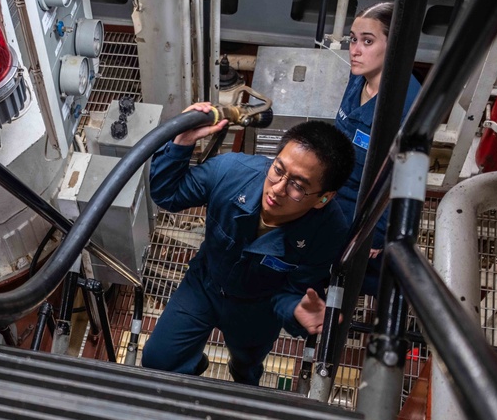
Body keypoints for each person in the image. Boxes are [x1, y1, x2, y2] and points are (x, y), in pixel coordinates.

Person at [141, 106, 356, 385]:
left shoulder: (329, 232)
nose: (278, 188)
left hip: (258, 308)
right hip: (204, 284)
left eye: (298, 186)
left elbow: (292, 289)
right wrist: (181, 143)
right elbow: (168, 194)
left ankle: (243, 374)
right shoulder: (232, 172)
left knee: (247, 365)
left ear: (323, 198)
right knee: (157, 361)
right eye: (278, 169)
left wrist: (295, 308)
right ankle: (191, 363)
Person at [335, 2, 422, 294]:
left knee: (364, 273)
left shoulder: (408, 106)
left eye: (367, 41)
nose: (355, 50)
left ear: (394, 44)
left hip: (367, 205)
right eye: (353, 39)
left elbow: (406, 180)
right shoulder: (358, 75)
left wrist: (377, 231)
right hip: (336, 185)